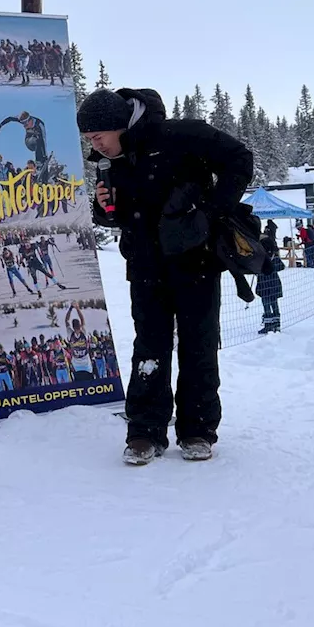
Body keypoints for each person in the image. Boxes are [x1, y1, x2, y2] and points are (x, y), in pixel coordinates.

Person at [77, 87, 254, 465]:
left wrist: (211, 211)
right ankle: (144, 431)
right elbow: (118, 215)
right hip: (145, 265)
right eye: (89, 140)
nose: (95, 145)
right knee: (149, 346)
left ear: (117, 124)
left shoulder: (181, 134)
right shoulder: (110, 160)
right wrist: (105, 209)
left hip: (196, 261)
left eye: (97, 137)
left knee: (199, 344)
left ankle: (197, 429)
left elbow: (240, 158)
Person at [256, 233, 284, 334]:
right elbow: (281, 266)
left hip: (264, 284)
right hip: (274, 283)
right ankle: (277, 324)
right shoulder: (274, 257)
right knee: (274, 303)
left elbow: (255, 269)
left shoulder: (261, 259)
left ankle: (268, 324)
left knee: (266, 303)